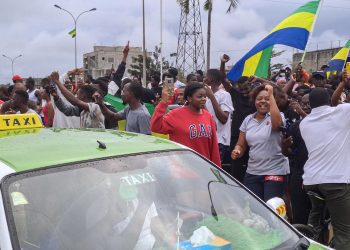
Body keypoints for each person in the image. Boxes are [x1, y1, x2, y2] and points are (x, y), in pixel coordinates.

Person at [300, 83, 350, 249]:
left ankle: (311, 240)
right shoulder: (342, 112)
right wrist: (344, 84)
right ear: (329, 100)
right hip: (335, 182)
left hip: (311, 182)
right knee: (344, 233)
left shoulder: (304, 123)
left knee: (315, 226)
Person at [231, 85, 289, 201]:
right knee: (256, 210)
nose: (263, 101)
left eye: (267, 99)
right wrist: (237, 150)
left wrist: (271, 94)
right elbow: (241, 144)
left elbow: (277, 125)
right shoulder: (248, 120)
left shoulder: (278, 116)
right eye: (259, 99)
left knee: (272, 207)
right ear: (254, 101)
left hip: (275, 171)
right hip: (252, 172)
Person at [151, 83, 221, 167]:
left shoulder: (208, 116)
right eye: (199, 96)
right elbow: (155, 126)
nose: (204, 99)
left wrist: (217, 170)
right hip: (183, 169)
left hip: (204, 169)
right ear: (189, 98)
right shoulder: (175, 115)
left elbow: (214, 147)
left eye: (205, 96)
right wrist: (163, 102)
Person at [220, 55, 255, 182]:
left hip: (254, 134)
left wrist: (260, 79)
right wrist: (222, 63)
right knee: (236, 166)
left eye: (247, 88)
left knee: (252, 165)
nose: (244, 92)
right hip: (237, 134)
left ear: (251, 85)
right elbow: (223, 79)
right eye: (242, 90)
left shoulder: (258, 96)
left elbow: (277, 90)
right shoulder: (235, 94)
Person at [282, 94, 311, 224]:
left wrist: (302, 112)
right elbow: (288, 153)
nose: (306, 106)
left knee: (318, 217)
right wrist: (285, 146)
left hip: (319, 177)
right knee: (299, 215)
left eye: (309, 103)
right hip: (299, 174)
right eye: (303, 103)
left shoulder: (328, 124)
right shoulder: (295, 126)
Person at [204, 69, 234, 165]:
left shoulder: (224, 95)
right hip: (207, 138)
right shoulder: (204, 96)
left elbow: (224, 118)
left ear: (211, 79)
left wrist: (212, 97)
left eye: (206, 76)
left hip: (220, 140)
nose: (204, 79)